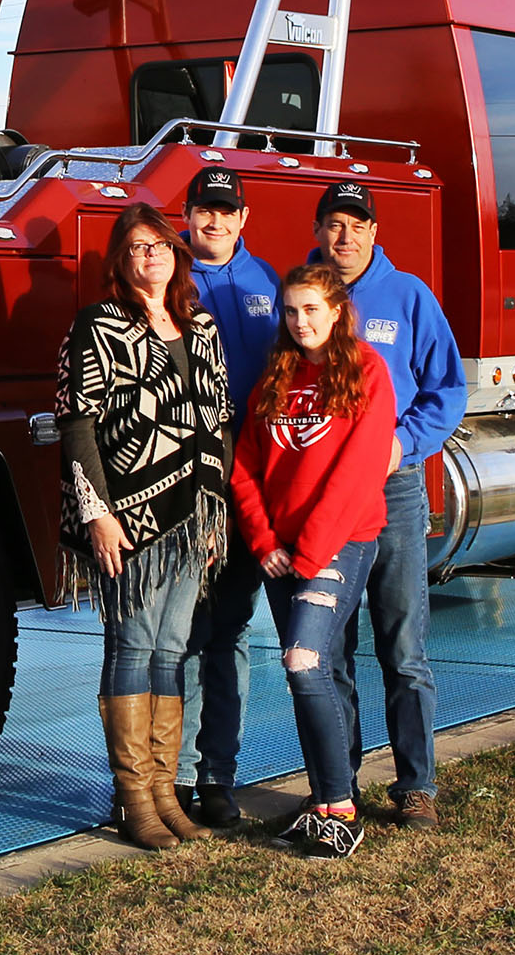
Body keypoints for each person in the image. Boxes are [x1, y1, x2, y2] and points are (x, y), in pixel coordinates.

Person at [55, 202, 231, 850]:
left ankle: (163, 795)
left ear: (176, 255)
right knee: (131, 648)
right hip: (127, 518)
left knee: (169, 649)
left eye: (160, 244)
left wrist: (213, 512)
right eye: (137, 246)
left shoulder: (201, 325)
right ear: (120, 260)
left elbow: (219, 420)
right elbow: (77, 423)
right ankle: (133, 801)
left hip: (192, 517)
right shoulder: (98, 325)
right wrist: (97, 514)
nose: (151, 255)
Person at [310, 179, 468, 831]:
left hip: (393, 489)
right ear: (318, 231)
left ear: (375, 232)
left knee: (403, 645)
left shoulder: (408, 297)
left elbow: (447, 390)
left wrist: (403, 443)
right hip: (327, 497)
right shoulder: (306, 300)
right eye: (334, 223)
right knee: (332, 648)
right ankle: (338, 786)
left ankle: (415, 786)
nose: (345, 236)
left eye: (357, 224)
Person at [229, 261, 398, 862]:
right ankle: (325, 803)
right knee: (315, 671)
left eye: (311, 309)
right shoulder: (275, 377)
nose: (300, 321)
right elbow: (245, 466)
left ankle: (341, 810)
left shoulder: (367, 372)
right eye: (291, 310)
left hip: (340, 543)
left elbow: (358, 472)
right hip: (281, 553)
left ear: (337, 312)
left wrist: (308, 551)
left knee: (304, 664)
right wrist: (264, 543)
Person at [172, 163, 284, 828]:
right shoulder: (171, 281)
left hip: (252, 483)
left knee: (232, 629)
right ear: (187, 216)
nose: (214, 221)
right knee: (188, 630)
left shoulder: (268, 281)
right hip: (192, 483)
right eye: (203, 210)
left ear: (243, 218)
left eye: (225, 210)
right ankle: (179, 776)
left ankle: (219, 776)